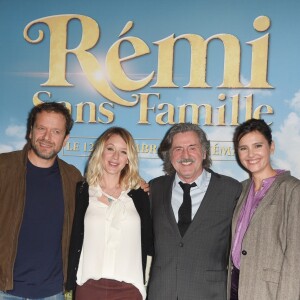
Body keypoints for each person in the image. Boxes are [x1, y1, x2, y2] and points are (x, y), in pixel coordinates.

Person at [147, 123, 242, 300]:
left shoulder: (231, 190)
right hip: (162, 292)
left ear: (204, 152)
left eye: (192, 147)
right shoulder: (154, 188)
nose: (185, 155)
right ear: (169, 155)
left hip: (209, 294)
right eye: (178, 149)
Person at [0, 102, 83, 300]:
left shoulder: (73, 177)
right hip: (4, 290)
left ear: (65, 139)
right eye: (41, 128)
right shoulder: (3, 168)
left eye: (56, 131)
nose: (47, 137)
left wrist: (134, 182)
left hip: (53, 293)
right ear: (30, 131)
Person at [66, 127, 153, 300]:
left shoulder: (139, 194)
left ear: (129, 159)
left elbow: (150, 241)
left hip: (130, 290)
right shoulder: (82, 191)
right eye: (110, 149)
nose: (115, 157)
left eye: (123, 152)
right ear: (101, 152)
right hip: (89, 288)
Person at [228, 118, 300, 300]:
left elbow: (296, 257)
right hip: (235, 285)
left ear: (271, 146)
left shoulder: (292, 190)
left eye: (258, 146)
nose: (251, 154)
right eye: (243, 148)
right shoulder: (240, 189)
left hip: (269, 291)